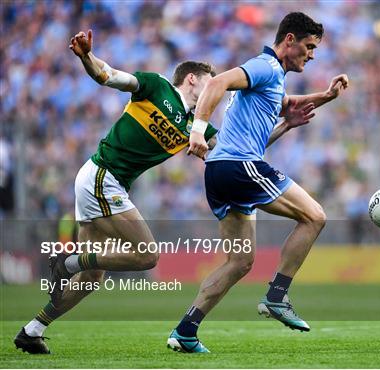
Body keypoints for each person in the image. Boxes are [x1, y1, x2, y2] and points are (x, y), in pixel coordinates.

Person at [14, 29, 314, 355]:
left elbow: (234, 151)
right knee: (147, 255)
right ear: (191, 79)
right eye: (208, 81)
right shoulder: (156, 87)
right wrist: (86, 55)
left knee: (92, 277)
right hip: (102, 175)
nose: (211, 92)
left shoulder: (195, 126)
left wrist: (285, 126)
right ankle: (68, 262)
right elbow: (108, 75)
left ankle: (33, 329)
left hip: (107, 183)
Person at [169, 12, 349, 353]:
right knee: (315, 216)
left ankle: (185, 331)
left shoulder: (270, 81)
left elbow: (283, 110)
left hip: (221, 171)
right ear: (289, 40)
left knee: (239, 262)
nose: (312, 55)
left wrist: (323, 98)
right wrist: (196, 129)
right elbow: (216, 82)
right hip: (238, 167)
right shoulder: (265, 67)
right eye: (308, 47)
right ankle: (277, 296)